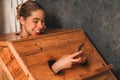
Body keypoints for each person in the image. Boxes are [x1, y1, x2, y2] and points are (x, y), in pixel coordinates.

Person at [16, 1, 83, 74]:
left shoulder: (45, 39)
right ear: (22, 20)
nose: (41, 26)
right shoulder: (15, 47)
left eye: (43, 21)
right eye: (35, 21)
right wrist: (57, 67)